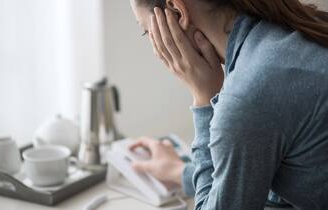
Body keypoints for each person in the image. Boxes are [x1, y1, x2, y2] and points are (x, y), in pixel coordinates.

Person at [128, 0, 328, 209]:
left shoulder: (249, 95)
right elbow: (266, 172)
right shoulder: (294, 31)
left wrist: (204, 98)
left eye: (146, 31)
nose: (154, 49)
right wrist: (180, 172)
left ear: (178, 12)